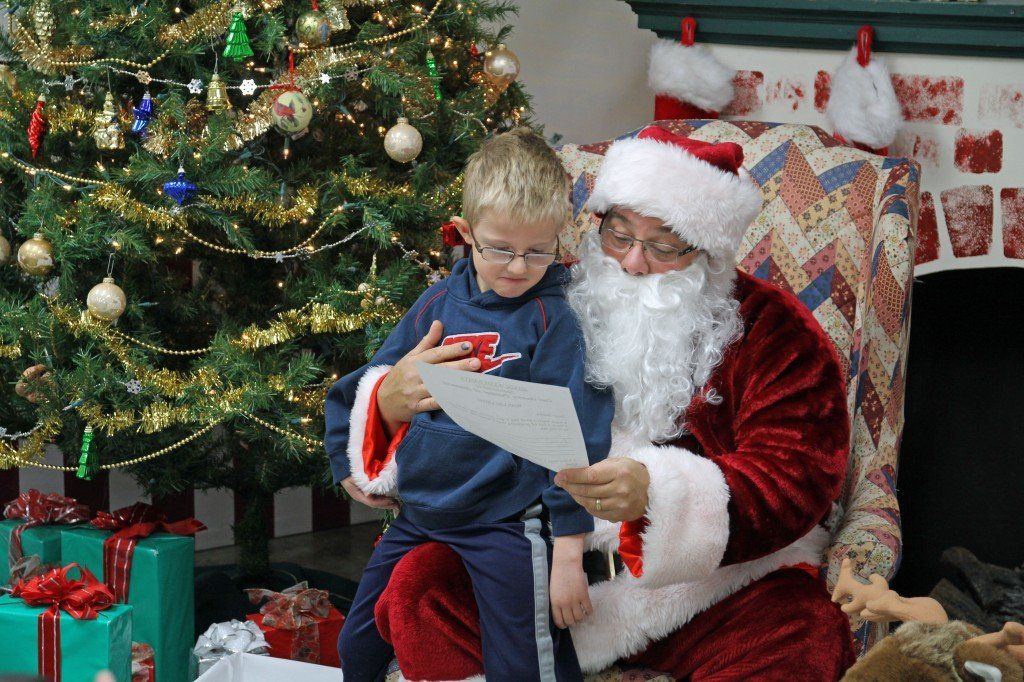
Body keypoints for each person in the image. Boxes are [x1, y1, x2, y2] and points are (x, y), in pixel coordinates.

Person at [366, 125, 858, 680]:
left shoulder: (772, 328)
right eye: (618, 235)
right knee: (420, 589)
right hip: (537, 565)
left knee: (802, 636)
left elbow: (796, 475)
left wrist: (658, 494)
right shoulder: (543, 292)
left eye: (664, 246)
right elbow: (463, 380)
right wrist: (389, 399)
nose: (632, 264)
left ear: (709, 250)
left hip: (704, 591)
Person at [324, 128, 615, 682]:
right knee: (355, 646)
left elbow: (576, 433)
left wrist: (570, 555)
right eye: (500, 248)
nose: (517, 267)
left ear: (560, 238)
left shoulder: (556, 319)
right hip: (421, 513)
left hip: (506, 522)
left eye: (537, 251)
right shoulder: (437, 301)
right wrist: (348, 465)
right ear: (464, 234)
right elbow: (371, 384)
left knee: (522, 665)